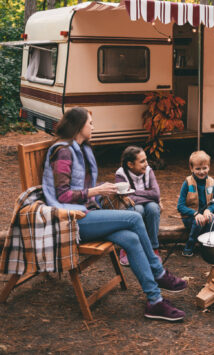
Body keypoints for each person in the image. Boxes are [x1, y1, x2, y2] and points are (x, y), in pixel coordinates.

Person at [42, 106, 187, 322]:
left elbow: (80, 189)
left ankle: (154, 301)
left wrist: (103, 187)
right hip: (72, 221)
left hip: (87, 214)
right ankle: (158, 273)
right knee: (134, 217)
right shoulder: (63, 151)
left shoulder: (78, 150)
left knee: (131, 238)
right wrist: (96, 190)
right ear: (79, 126)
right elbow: (62, 195)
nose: (93, 126)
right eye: (90, 123)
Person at [115, 146, 162, 266]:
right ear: (130, 164)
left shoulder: (148, 171)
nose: (146, 164)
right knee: (138, 210)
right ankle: (126, 248)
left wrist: (133, 192)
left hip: (147, 203)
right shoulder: (121, 174)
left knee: (153, 209)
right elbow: (124, 198)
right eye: (142, 161)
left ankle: (153, 248)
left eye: (146, 160)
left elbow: (156, 194)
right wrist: (148, 194)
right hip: (128, 206)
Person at [177, 150, 214, 257]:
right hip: (190, 216)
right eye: (198, 169)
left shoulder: (212, 183)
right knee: (199, 222)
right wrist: (195, 213)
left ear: (209, 167)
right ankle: (189, 245)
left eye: (204, 168)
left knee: (212, 220)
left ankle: (207, 245)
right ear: (191, 168)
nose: (202, 172)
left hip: (205, 215)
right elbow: (180, 206)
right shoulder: (187, 183)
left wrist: (209, 210)